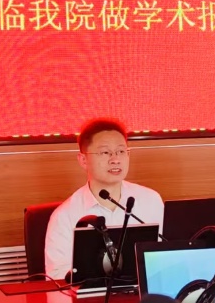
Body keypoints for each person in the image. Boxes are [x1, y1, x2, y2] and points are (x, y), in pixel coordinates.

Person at [44, 118, 164, 281]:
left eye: (121, 151)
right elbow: (56, 277)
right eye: (105, 152)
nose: (115, 159)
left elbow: (166, 258)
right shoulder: (65, 216)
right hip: (89, 296)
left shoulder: (151, 201)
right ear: (83, 160)